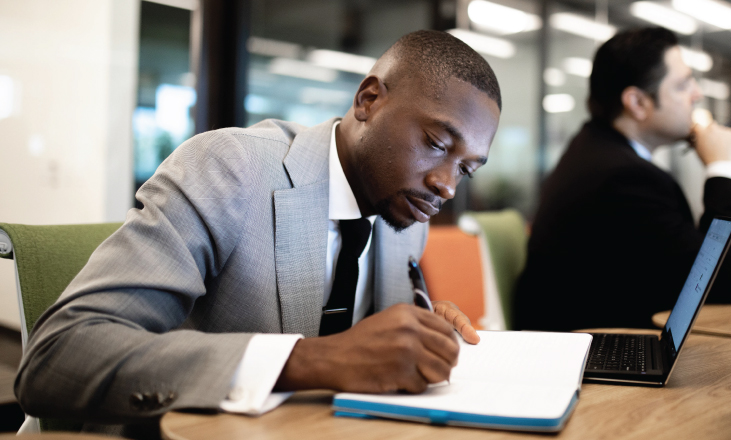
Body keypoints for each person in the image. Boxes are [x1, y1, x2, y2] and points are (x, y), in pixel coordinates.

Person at [15, 30, 501, 438]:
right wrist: (312, 360)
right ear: (368, 100)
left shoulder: (404, 209)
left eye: (467, 168)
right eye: (436, 143)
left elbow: (371, 333)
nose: (446, 184)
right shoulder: (228, 169)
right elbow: (58, 356)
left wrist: (423, 329)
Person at [514, 27, 731, 332]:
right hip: (587, 356)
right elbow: (717, 286)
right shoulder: (624, 179)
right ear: (637, 102)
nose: (697, 94)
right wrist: (723, 168)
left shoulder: (597, 151)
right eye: (682, 85)